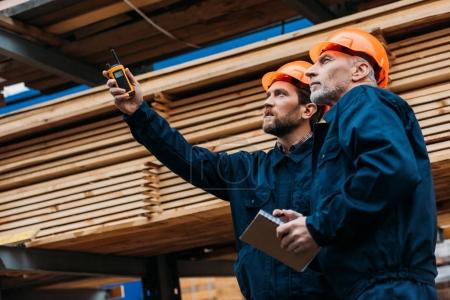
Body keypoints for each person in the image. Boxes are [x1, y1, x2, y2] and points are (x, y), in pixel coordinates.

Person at [103, 61, 335, 299]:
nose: (267, 102)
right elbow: (186, 158)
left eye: (280, 95)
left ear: (308, 110)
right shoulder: (246, 169)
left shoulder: (334, 162)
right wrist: (139, 112)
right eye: (267, 95)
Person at [274, 28, 438, 299]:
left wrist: (319, 226)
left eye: (325, 61)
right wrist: (311, 222)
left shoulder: (363, 99)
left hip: (387, 288)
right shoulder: (345, 122)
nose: (311, 72)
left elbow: (389, 171)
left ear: (360, 70)